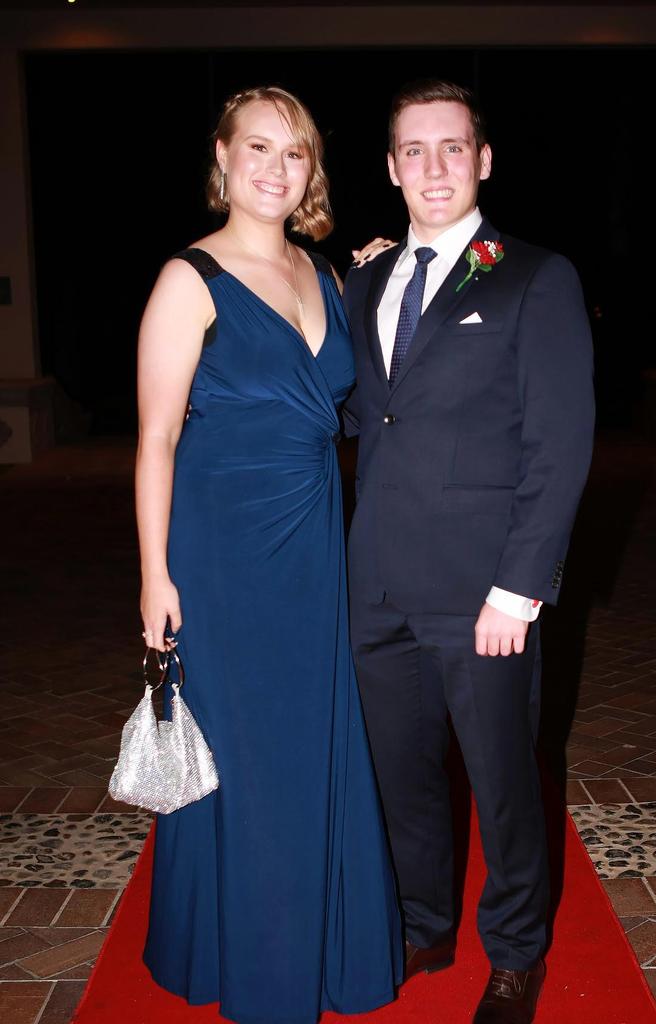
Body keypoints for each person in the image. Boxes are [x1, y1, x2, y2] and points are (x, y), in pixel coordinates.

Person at [135, 86, 402, 1024]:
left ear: (310, 171)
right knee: (251, 757)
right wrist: (154, 577)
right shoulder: (187, 279)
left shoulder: (324, 274)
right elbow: (156, 440)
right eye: (257, 147)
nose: (273, 167)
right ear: (222, 157)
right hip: (226, 555)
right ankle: (262, 969)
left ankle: (321, 950)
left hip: (316, 546)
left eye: (293, 152)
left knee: (316, 742)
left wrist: (381, 274)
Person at [342, 80, 594, 1024]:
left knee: (502, 785)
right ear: (392, 167)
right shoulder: (365, 280)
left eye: (453, 148)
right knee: (401, 775)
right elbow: (366, 413)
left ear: (483, 160)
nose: (434, 167)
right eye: (414, 150)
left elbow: (560, 444)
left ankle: (517, 951)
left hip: (484, 594)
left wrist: (519, 589)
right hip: (376, 589)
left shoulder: (532, 274)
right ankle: (424, 922)